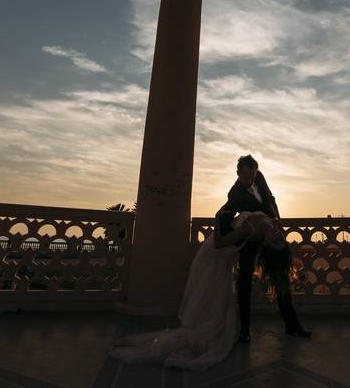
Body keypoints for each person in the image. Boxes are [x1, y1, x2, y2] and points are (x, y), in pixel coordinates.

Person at [108, 208, 281, 369]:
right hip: (210, 259)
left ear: (266, 242)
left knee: (215, 303)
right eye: (281, 237)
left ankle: (204, 337)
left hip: (214, 261)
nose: (278, 235)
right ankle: (205, 332)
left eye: (275, 240)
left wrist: (217, 220)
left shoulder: (249, 230)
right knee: (213, 302)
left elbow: (219, 244)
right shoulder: (271, 221)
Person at [221, 154, 311, 342]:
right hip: (251, 237)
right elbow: (225, 216)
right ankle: (244, 331)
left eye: (252, 175)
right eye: (245, 177)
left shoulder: (259, 177)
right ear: (238, 174)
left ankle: (292, 325)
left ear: (256, 171)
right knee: (244, 280)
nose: (249, 180)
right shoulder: (234, 193)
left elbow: (270, 199)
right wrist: (232, 233)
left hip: (270, 233)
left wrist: (277, 220)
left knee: (280, 277)